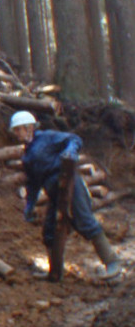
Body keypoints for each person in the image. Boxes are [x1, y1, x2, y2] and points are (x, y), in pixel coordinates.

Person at [9, 110, 121, 279]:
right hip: (54, 193)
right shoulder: (28, 156)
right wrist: (29, 206)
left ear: (29, 127)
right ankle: (55, 273)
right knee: (50, 231)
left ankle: (112, 263)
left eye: (19, 129)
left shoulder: (47, 137)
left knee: (85, 221)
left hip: (71, 185)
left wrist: (69, 151)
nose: (16, 133)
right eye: (15, 130)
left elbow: (74, 139)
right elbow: (32, 185)